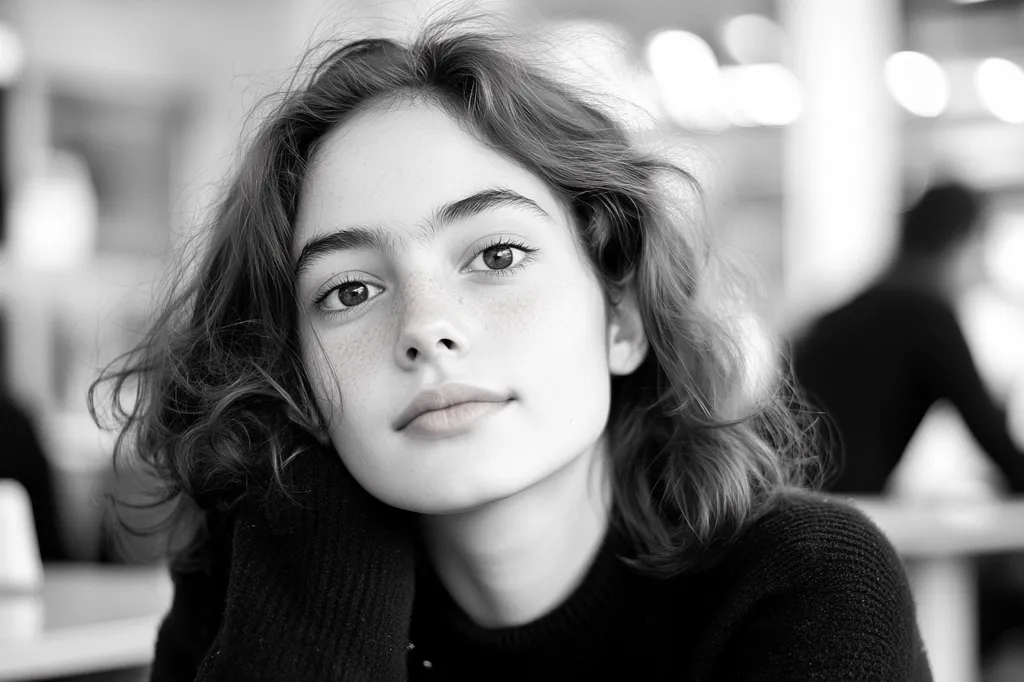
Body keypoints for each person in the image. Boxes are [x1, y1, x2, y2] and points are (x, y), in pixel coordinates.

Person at [91, 13, 932, 681]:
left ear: (623, 317)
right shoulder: (254, 582)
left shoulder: (802, 582)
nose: (425, 327)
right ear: (296, 371)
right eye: (350, 292)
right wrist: (314, 521)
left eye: (496, 256)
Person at [792, 180, 1024, 495]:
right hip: (836, 505)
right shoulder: (927, 315)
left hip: (790, 493)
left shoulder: (849, 310)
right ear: (959, 242)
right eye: (979, 249)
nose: (981, 269)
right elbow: (990, 434)